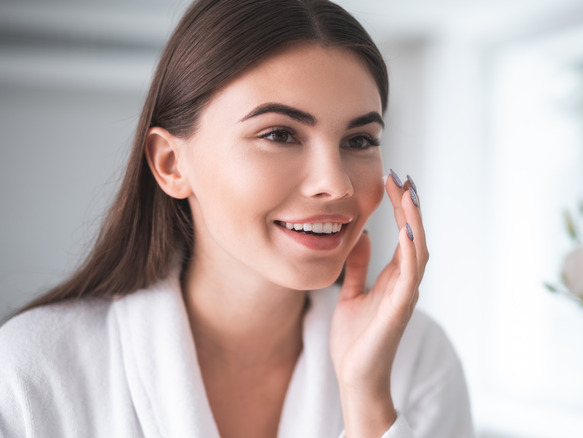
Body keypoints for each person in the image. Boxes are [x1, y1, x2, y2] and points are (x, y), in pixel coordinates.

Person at [0, 0, 473, 437]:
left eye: (359, 140)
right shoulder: (32, 370)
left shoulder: (418, 360)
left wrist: (367, 399)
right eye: (280, 134)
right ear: (171, 163)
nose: (337, 184)